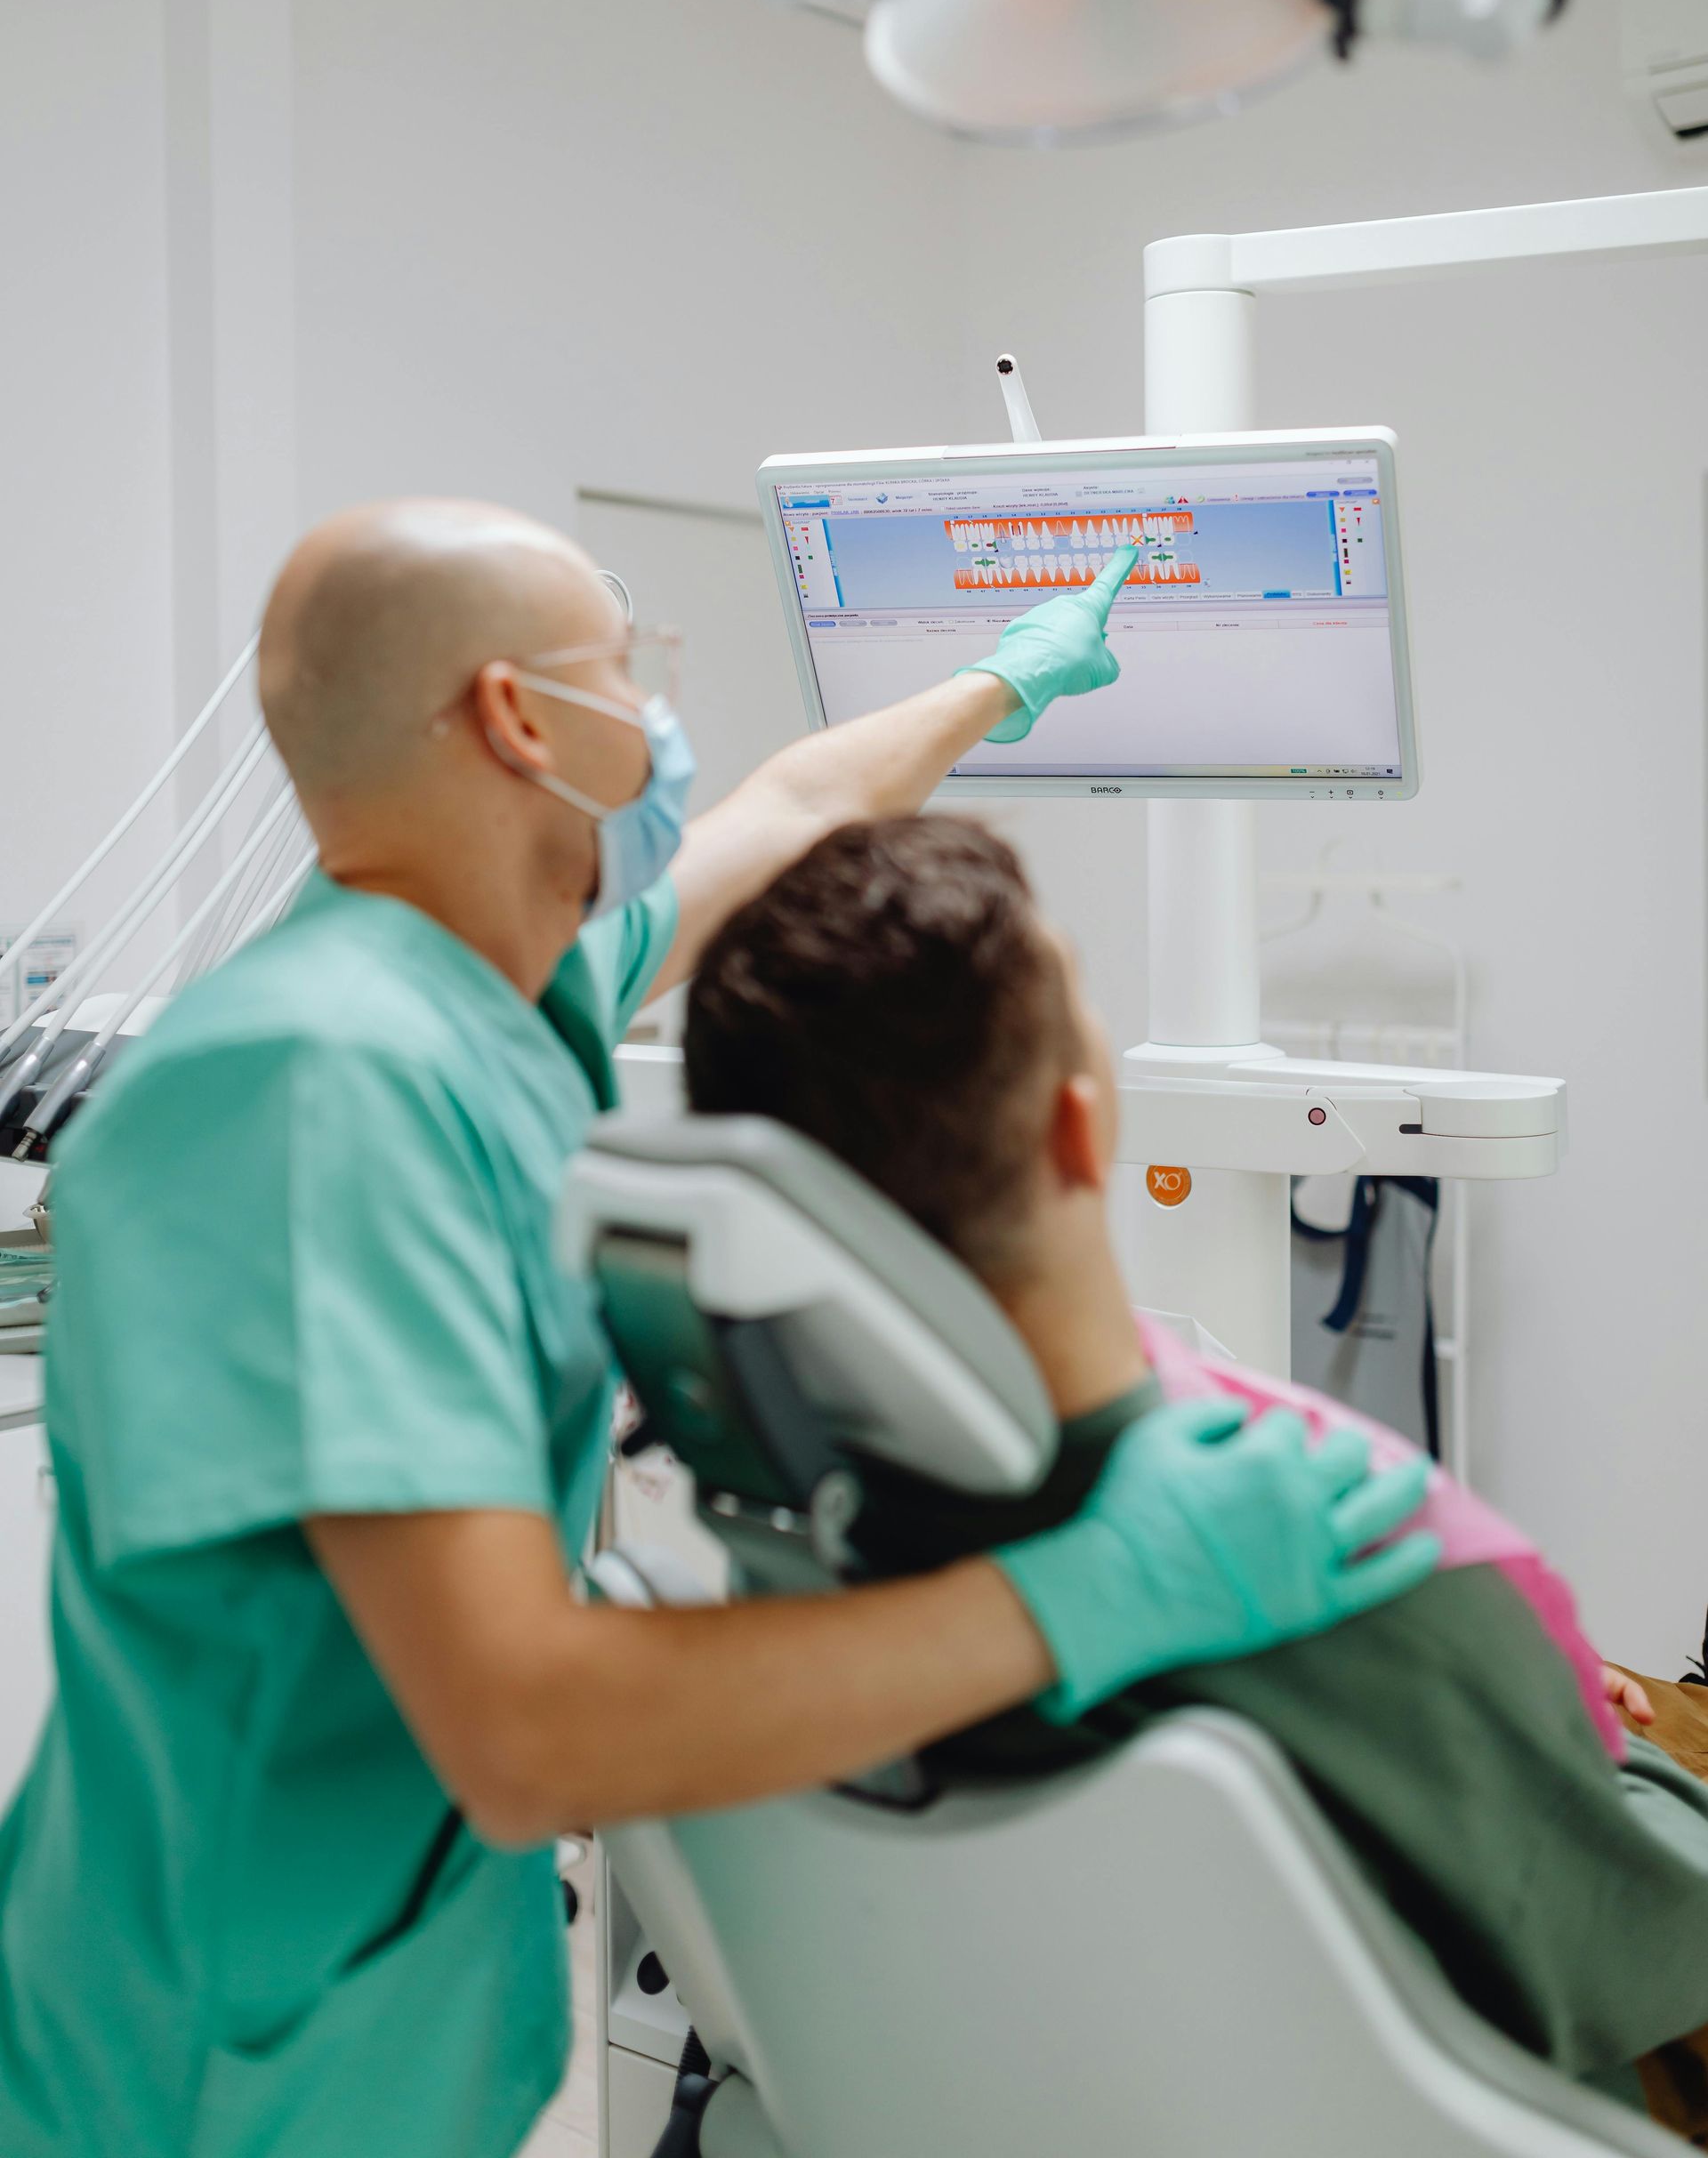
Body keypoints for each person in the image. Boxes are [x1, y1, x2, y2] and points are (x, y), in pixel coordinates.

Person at [0, 501, 1435, 2158]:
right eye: (630, 671)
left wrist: (1006, 678)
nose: (662, 715)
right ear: (518, 718)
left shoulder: (491, 990)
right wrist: (1096, 1589)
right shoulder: (324, 1090)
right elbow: (529, 1726)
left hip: (362, 2031)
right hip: (210, 2080)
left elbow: (801, 805)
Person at [682, 812, 1708, 2121]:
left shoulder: (799, 1571)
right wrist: (1590, 1750)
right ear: (1079, 1126)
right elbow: (1647, 1934)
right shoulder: (1351, 1563)